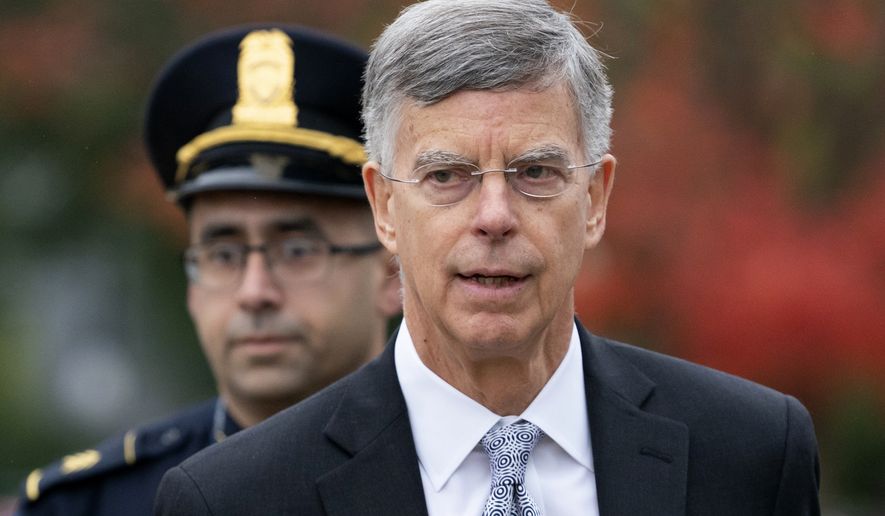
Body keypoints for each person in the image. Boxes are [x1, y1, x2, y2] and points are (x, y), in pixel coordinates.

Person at [154, 1, 821, 514]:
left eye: (534, 172)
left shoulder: (750, 453)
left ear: (594, 198)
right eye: (447, 176)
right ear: (383, 205)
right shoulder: (235, 499)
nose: (494, 217)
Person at [15, 24, 400, 516]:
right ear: (193, 289)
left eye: (299, 250)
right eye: (223, 255)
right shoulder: (89, 505)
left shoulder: (462, 479)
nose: (254, 292)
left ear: (392, 274)